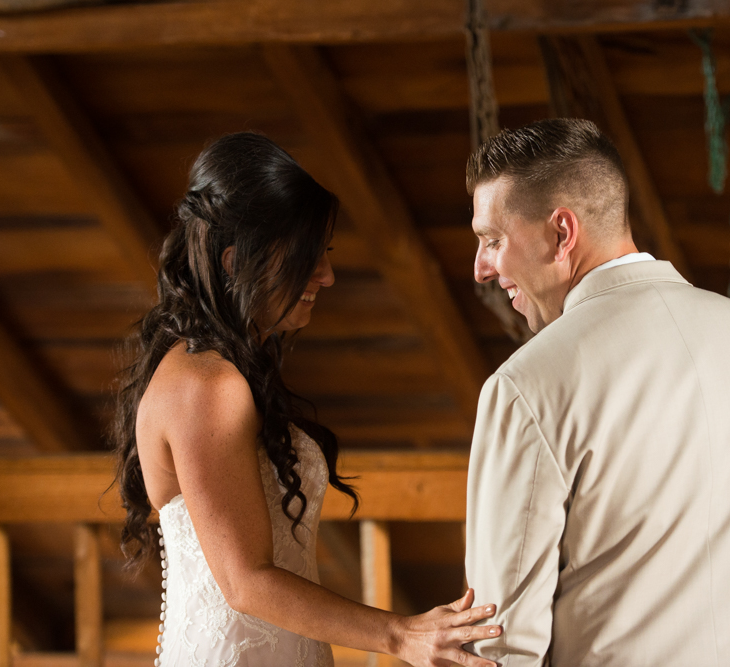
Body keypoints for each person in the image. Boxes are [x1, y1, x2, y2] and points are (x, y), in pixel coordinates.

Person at [463, 118, 730, 666]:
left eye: (493, 240)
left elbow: (501, 635)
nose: (482, 267)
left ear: (561, 232)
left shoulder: (527, 384)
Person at [112, 132, 501, 667]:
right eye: (305, 258)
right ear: (234, 263)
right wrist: (399, 635)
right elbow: (246, 582)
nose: (327, 275)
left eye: (325, 254)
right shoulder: (207, 385)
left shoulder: (226, 370)